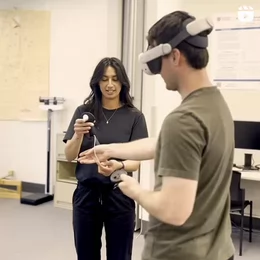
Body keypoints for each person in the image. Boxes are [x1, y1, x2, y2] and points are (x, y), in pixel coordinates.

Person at [78, 11, 235, 260]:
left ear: (174, 56)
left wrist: (134, 188)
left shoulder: (183, 120)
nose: (159, 74)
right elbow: (165, 144)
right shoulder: (215, 106)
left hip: (180, 253)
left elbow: (173, 211)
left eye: (157, 64)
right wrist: (110, 150)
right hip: (215, 250)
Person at [63, 57, 148, 260]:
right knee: (86, 255)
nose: (110, 85)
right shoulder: (84, 112)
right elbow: (69, 155)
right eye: (104, 79)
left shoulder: (134, 116)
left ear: (123, 83)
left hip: (119, 194)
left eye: (115, 79)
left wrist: (118, 165)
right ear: (97, 83)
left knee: (119, 256)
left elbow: (136, 161)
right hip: (86, 196)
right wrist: (77, 135)